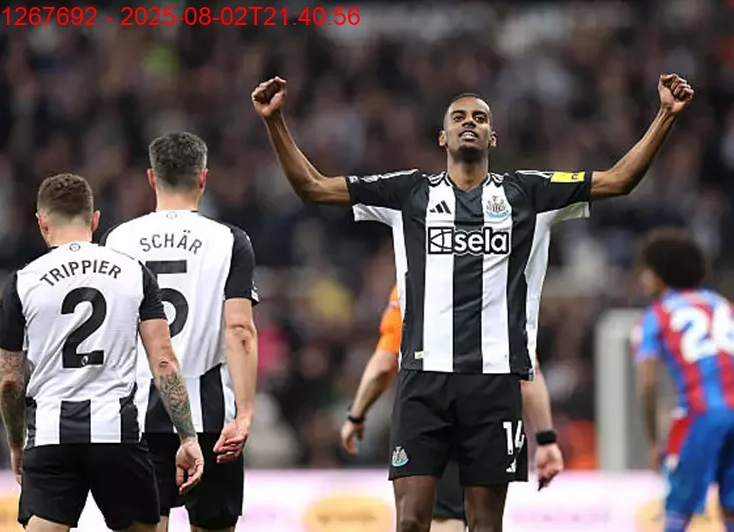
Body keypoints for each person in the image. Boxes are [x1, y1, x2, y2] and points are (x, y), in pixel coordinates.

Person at [252, 73, 693, 532]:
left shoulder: (529, 193)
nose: (469, 122)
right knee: (411, 521)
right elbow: (312, 187)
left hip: (494, 382)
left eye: (479, 118)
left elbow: (620, 180)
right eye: (459, 117)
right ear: (442, 137)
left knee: (484, 524)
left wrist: (665, 115)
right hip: (423, 380)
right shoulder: (408, 193)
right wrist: (275, 121)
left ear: (492, 137)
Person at [341, 203, 584, 531]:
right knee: (477, 519)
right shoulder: (498, 291)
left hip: (432, 409)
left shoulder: (414, 290)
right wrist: (545, 438)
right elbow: (529, 372)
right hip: (488, 409)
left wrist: (356, 415)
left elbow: (385, 363)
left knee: (439, 517)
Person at [0, 174, 204, 532]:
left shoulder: (22, 282)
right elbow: (163, 361)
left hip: (51, 436)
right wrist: (187, 437)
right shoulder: (134, 273)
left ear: (42, 222)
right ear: (94, 220)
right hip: (117, 435)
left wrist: (17, 442)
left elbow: (10, 381)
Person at [101, 133, 259, 532]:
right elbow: (239, 329)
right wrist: (244, 414)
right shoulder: (229, 241)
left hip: (136, 414)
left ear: (151, 178)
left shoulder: (117, 240)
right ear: (203, 178)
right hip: (211, 416)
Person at [632, 228, 734, 532]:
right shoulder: (724, 306)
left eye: (645, 270)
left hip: (701, 414)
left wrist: (653, 441)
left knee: (678, 509)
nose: (641, 278)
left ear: (659, 274)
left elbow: (648, 383)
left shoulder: (656, 314)